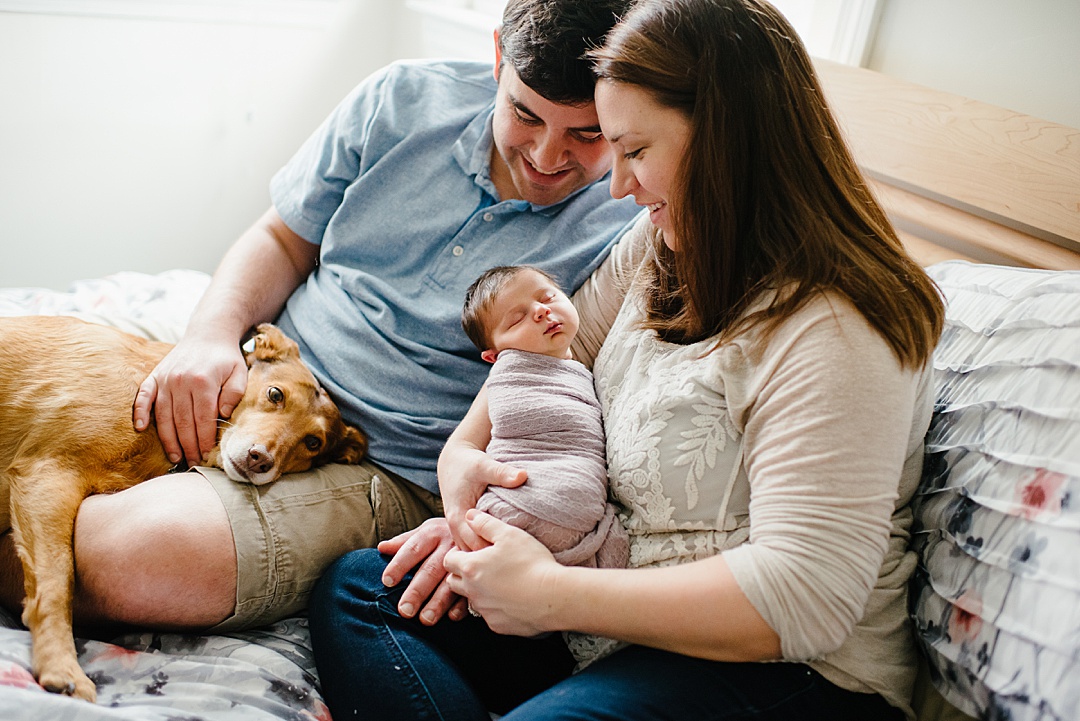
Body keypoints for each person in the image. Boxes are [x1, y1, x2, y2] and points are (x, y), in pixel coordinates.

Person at [307, 0, 947, 720]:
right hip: (600, 610)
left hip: (786, 668)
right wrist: (466, 470)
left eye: (635, 151)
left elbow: (805, 596)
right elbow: (555, 352)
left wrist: (548, 593)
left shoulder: (838, 320)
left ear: (726, 142)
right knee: (363, 588)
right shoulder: (660, 244)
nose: (617, 185)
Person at [0, 0, 639, 632]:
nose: (548, 157)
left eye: (588, 135)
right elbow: (282, 239)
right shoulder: (401, 98)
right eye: (525, 115)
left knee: (123, 555)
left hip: (383, 459)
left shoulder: (637, 213)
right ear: (498, 58)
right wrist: (210, 336)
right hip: (265, 368)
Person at [461, 265, 628, 571]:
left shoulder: (582, 370)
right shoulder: (511, 376)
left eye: (548, 297)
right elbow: (522, 421)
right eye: (516, 319)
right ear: (495, 357)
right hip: (517, 504)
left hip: (582, 508)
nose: (540, 311)